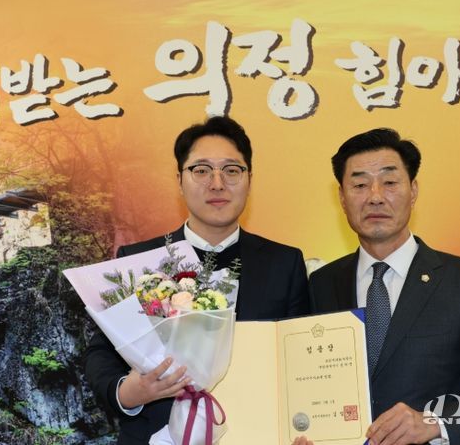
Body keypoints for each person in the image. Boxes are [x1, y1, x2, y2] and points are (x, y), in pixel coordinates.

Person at [84, 115, 309, 444]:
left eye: (231, 170)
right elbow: (101, 353)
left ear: (249, 178)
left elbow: (299, 358)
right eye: (201, 170)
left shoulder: (284, 263)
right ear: (179, 180)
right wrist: (129, 394)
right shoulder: (138, 261)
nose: (217, 183)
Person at [296, 128, 460, 445]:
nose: (375, 196)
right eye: (359, 185)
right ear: (342, 199)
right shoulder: (320, 284)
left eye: (390, 182)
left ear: (413, 191)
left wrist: (435, 423)